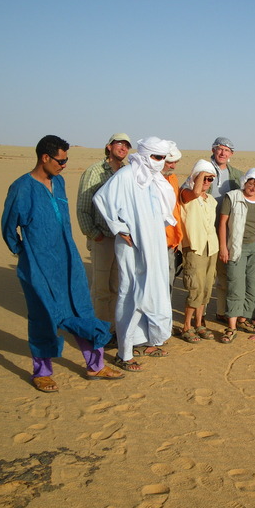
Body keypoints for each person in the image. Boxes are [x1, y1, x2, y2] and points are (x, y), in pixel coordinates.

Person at [2, 135, 123, 392]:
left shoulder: (59, 182)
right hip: (38, 266)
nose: (64, 165)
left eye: (66, 160)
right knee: (43, 315)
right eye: (61, 160)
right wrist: (24, 253)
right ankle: (42, 372)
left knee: (82, 310)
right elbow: (8, 228)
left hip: (68, 261)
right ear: (45, 158)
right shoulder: (21, 188)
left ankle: (96, 364)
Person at [93, 137, 177, 371]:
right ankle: (124, 353)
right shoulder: (127, 175)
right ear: (145, 155)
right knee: (131, 293)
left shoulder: (153, 179)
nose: (160, 162)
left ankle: (146, 341)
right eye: (156, 157)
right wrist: (120, 228)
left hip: (154, 244)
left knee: (153, 289)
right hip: (132, 245)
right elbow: (101, 199)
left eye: (163, 158)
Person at [76, 133, 131, 336]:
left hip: (122, 239)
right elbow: (83, 206)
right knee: (101, 290)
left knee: (117, 286)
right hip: (102, 237)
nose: (123, 148)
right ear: (109, 147)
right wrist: (93, 234)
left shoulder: (126, 172)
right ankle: (99, 333)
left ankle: (114, 330)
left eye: (126, 146)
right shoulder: (95, 171)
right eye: (119, 144)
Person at [218, 168, 255, 343]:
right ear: (245, 181)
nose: (254, 187)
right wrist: (223, 247)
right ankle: (232, 326)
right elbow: (223, 223)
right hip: (237, 248)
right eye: (251, 183)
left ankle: (244, 319)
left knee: (253, 286)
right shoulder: (233, 197)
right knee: (236, 285)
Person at [193, 137, 244, 322]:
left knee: (223, 273)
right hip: (203, 228)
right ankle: (200, 314)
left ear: (231, 154)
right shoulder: (202, 170)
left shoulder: (237, 176)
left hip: (225, 230)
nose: (222, 153)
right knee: (204, 274)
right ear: (213, 150)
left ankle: (221, 311)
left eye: (226, 150)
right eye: (219, 149)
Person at [178, 159, 219, 343]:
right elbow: (194, 192)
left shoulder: (211, 200)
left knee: (206, 289)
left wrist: (206, 177)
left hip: (212, 248)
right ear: (195, 177)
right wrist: (200, 174)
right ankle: (186, 325)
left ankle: (198, 323)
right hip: (194, 247)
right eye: (204, 178)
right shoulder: (186, 194)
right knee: (195, 288)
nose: (207, 182)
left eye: (210, 179)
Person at [162, 143, 184, 294]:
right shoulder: (147, 179)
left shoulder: (173, 178)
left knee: (169, 279)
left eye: (175, 162)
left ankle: (165, 316)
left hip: (172, 241)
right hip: (156, 242)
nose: (173, 166)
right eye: (170, 162)